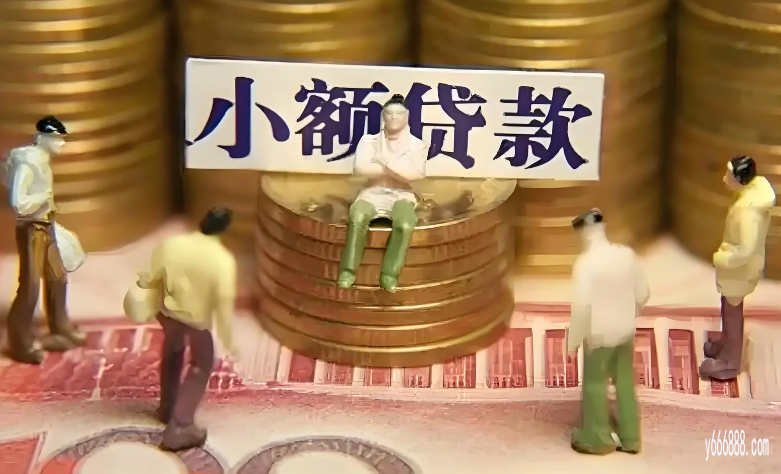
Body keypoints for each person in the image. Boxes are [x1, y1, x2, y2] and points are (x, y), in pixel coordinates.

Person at [125, 207, 238, 451]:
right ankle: (181, 425)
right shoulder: (222, 260)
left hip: (167, 311)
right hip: (195, 319)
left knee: (172, 351)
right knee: (200, 365)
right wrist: (229, 339)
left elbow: (152, 277)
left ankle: (167, 407)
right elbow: (223, 304)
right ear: (225, 229)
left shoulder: (172, 244)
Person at [4, 116, 87, 364]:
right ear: (41, 138)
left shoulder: (43, 159)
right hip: (31, 229)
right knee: (30, 286)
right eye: (56, 139)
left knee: (57, 277)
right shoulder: (28, 162)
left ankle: (60, 330)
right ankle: (19, 343)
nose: (61, 144)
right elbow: (18, 202)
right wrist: (42, 197)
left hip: (46, 225)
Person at [567, 208, 650, 455]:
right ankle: (630, 437)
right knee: (624, 381)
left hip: (599, 336)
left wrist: (573, 340)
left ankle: (597, 438)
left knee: (595, 383)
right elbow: (643, 293)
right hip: (625, 332)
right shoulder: (626, 255)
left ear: (583, 233)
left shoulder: (585, 264)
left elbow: (582, 307)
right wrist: (628, 315)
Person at [337, 93, 428, 292]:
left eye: (399, 114)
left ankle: (389, 274)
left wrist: (384, 163)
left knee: (405, 223)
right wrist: (397, 168)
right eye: (389, 113)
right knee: (357, 216)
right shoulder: (368, 141)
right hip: (373, 192)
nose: (394, 117)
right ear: (383, 116)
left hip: (401, 194)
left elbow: (414, 175)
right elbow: (361, 169)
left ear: (406, 117)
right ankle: (348, 271)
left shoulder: (416, 145)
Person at [700, 156, 775, 380]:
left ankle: (730, 363)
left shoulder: (747, 212)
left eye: (729, 175)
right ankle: (726, 341)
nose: (724, 179)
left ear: (740, 180)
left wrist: (723, 259)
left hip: (739, 269)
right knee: (728, 305)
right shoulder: (747, 198)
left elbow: (745, 249)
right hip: (736, 270)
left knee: (733, 312)